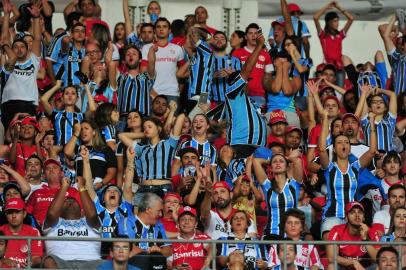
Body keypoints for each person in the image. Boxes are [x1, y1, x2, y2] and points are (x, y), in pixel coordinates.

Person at [319, 107, 377, 239]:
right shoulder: (329, 168)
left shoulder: (355, 168)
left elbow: (372, 151)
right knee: (331, 245)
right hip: (331, 216)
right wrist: (325, 120)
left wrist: (372, 122)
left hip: (352, 219)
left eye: (346, 142)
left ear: (349, 148)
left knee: (365, 236)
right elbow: (322, 150)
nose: (343, 144)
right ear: (334, 149)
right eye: (339, 142)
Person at [42, 175, 102, 269]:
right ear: (59, 210)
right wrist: (64, 187)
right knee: (49, 261)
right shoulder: (53, 222)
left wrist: (82, 187)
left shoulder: (89, 221)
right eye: (65, 201)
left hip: (91, 262)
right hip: (61, 262)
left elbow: (92, 214)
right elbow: (52, 213)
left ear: (82, 212)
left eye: (74, 201)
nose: (69, 201)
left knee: (106, 265)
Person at [118, 113, 185, 197]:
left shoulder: (169, 143)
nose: (146, 129)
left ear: (158, 129)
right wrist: (144, 134)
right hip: (144, 188)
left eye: (149, 127)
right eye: (144, 128)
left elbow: (181, 117)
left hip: (163, 187)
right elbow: (121, 135)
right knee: (136, 210)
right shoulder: (142, 148)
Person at [1, 1, 41, 129]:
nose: (19, 49)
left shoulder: (34, 59)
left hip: (29, 104)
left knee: (26, 138)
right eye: (16, 47)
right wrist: (6, 14)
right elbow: (5, 37)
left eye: (22, 46)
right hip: (9, 103)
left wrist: (35, 18)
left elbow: (37, 39)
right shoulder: (9, 60)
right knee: (9, 138)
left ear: (27, 49)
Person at [252, 150, 304, 237]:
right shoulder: (267, 185)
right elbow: (255, 161)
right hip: (271, 233)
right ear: (271, 168)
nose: (278, 163)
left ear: (287, 166)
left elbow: (298, 161)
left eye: (281, 161)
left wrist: (288, 158)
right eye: (275, 162)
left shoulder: (294, 184)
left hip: (291, 235)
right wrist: (269, 160)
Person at [117, 192, 171, 270]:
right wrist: (153, 254)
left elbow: (168, 250)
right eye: (158, 211)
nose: (160, 214)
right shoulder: (126, 222)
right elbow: (129, 248)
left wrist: (158, 252)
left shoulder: (158, 225)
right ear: (148, 209)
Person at [140, 17, 185, 104]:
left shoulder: (177, 49)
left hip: (173, 93)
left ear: (169, 30)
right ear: (154, 30)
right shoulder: (147, 48)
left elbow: (183, 74)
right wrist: (150, 91)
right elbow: (143, 73)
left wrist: (178, 91)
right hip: (153, 93)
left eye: (164, 26)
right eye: (158, 27)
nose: (161, 29)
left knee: (173, 118)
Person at [25, 158, 81, 226]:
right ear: (44, 175)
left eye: (55, 168)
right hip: (39, 230)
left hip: (64, 230)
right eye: (47, 168)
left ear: (62, 173)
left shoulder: (72, 191)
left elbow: (82, 211)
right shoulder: (36, 193)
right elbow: (26, 214)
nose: (51, 170)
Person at [109, 42, 157, 121]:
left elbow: (151, 61)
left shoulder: (146, 77)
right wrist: (111, 48)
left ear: (140, 59)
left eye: (134, 54)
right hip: (123, 119)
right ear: (124, 61)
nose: (131, 55)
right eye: (128, 54)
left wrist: (152, 50)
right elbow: (110, 63)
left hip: (143, 118)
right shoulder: (120, 77)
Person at [327, 201, 379, 270]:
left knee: (379, 266)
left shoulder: (371, 232)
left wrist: (365, 238)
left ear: (363, 218)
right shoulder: (337, 230)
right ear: (346, 218)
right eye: (352, 212)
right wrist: (353, 262)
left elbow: (377, 258)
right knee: (332, 266)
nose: (357, 215)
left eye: (360, 212)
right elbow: (331, 257)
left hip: (365, 268)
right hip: (345, 268)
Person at [232, 23, 273, 107]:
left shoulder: (266, 54)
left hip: (259, 96)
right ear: (246, 37)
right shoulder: (237, 53)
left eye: (256, 33)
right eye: (250, 33)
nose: (253, 36)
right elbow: (233, 74)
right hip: (240, 94)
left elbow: (269, 77)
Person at [313, 1, 354, 76]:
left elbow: (351, 18)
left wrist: (339, 8)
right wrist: (326, 7)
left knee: (340, 87)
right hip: (328, 69)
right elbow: (315, 18)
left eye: (338, 21)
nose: (337, 23)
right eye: (335, 21)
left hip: (339, 68)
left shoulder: (340, 35)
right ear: (329, 22)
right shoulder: (323, 35)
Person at [0, 198, 43, 268]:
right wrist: (3, 260)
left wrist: (29, 264)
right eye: (10, 212)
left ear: (24, 214)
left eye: (17, 212)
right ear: (6, 215)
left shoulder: (33, 232)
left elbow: (37, 258)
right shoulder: (0, 230)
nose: (13, 216)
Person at [355, 85, 398, 152]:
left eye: (381, 102)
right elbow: (363, 100)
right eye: (374, 102)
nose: (378, 103)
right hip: (370, 160)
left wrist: (379, 90)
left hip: (387, 159)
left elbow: (393, 95)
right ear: (370, 108)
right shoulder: (366, 120)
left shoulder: (390, 120)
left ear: (385, 108)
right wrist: (367, 92)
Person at [210, 31, 242, 105]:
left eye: (222, 39)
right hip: (211, 102)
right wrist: (212, 75)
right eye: (216, 38)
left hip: (232, 102)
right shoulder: (206, 60)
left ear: (227, 43)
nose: (219, 41)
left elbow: (242, 83)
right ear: (212, 41)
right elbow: (200, 82)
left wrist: (232, 75)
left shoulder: (235, 60)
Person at [379, 14, 406, 95]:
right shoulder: (398, 57)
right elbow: (383, 31)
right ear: (402, 46)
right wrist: (396, 17)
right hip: (400, 99)